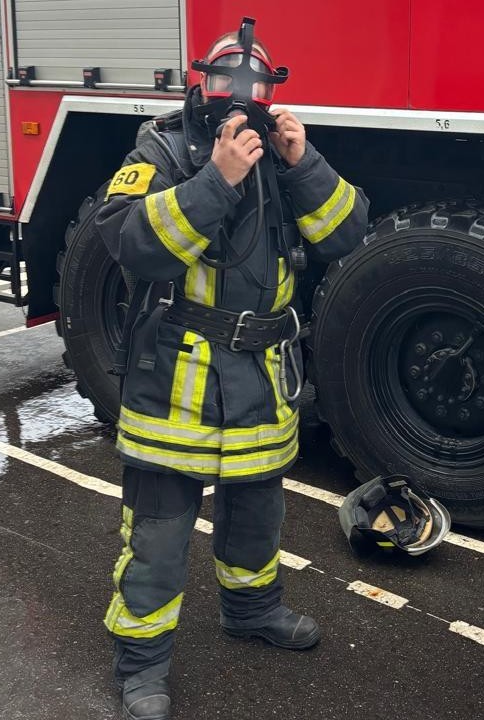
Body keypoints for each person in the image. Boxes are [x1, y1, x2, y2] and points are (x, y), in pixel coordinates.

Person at [95, 21, 369, 720]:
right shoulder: (160, 148)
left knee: (257, 515)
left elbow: (348, 235)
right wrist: (217, 180)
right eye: (225, 83)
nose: (239, 97)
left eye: (253, 84)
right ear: (200, 84)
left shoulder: (282, 157)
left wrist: (304, 161)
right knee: (157, 535)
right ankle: (143, 665)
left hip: (259, 378)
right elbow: (131, 244)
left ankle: (252, 611)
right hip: (176, 378)